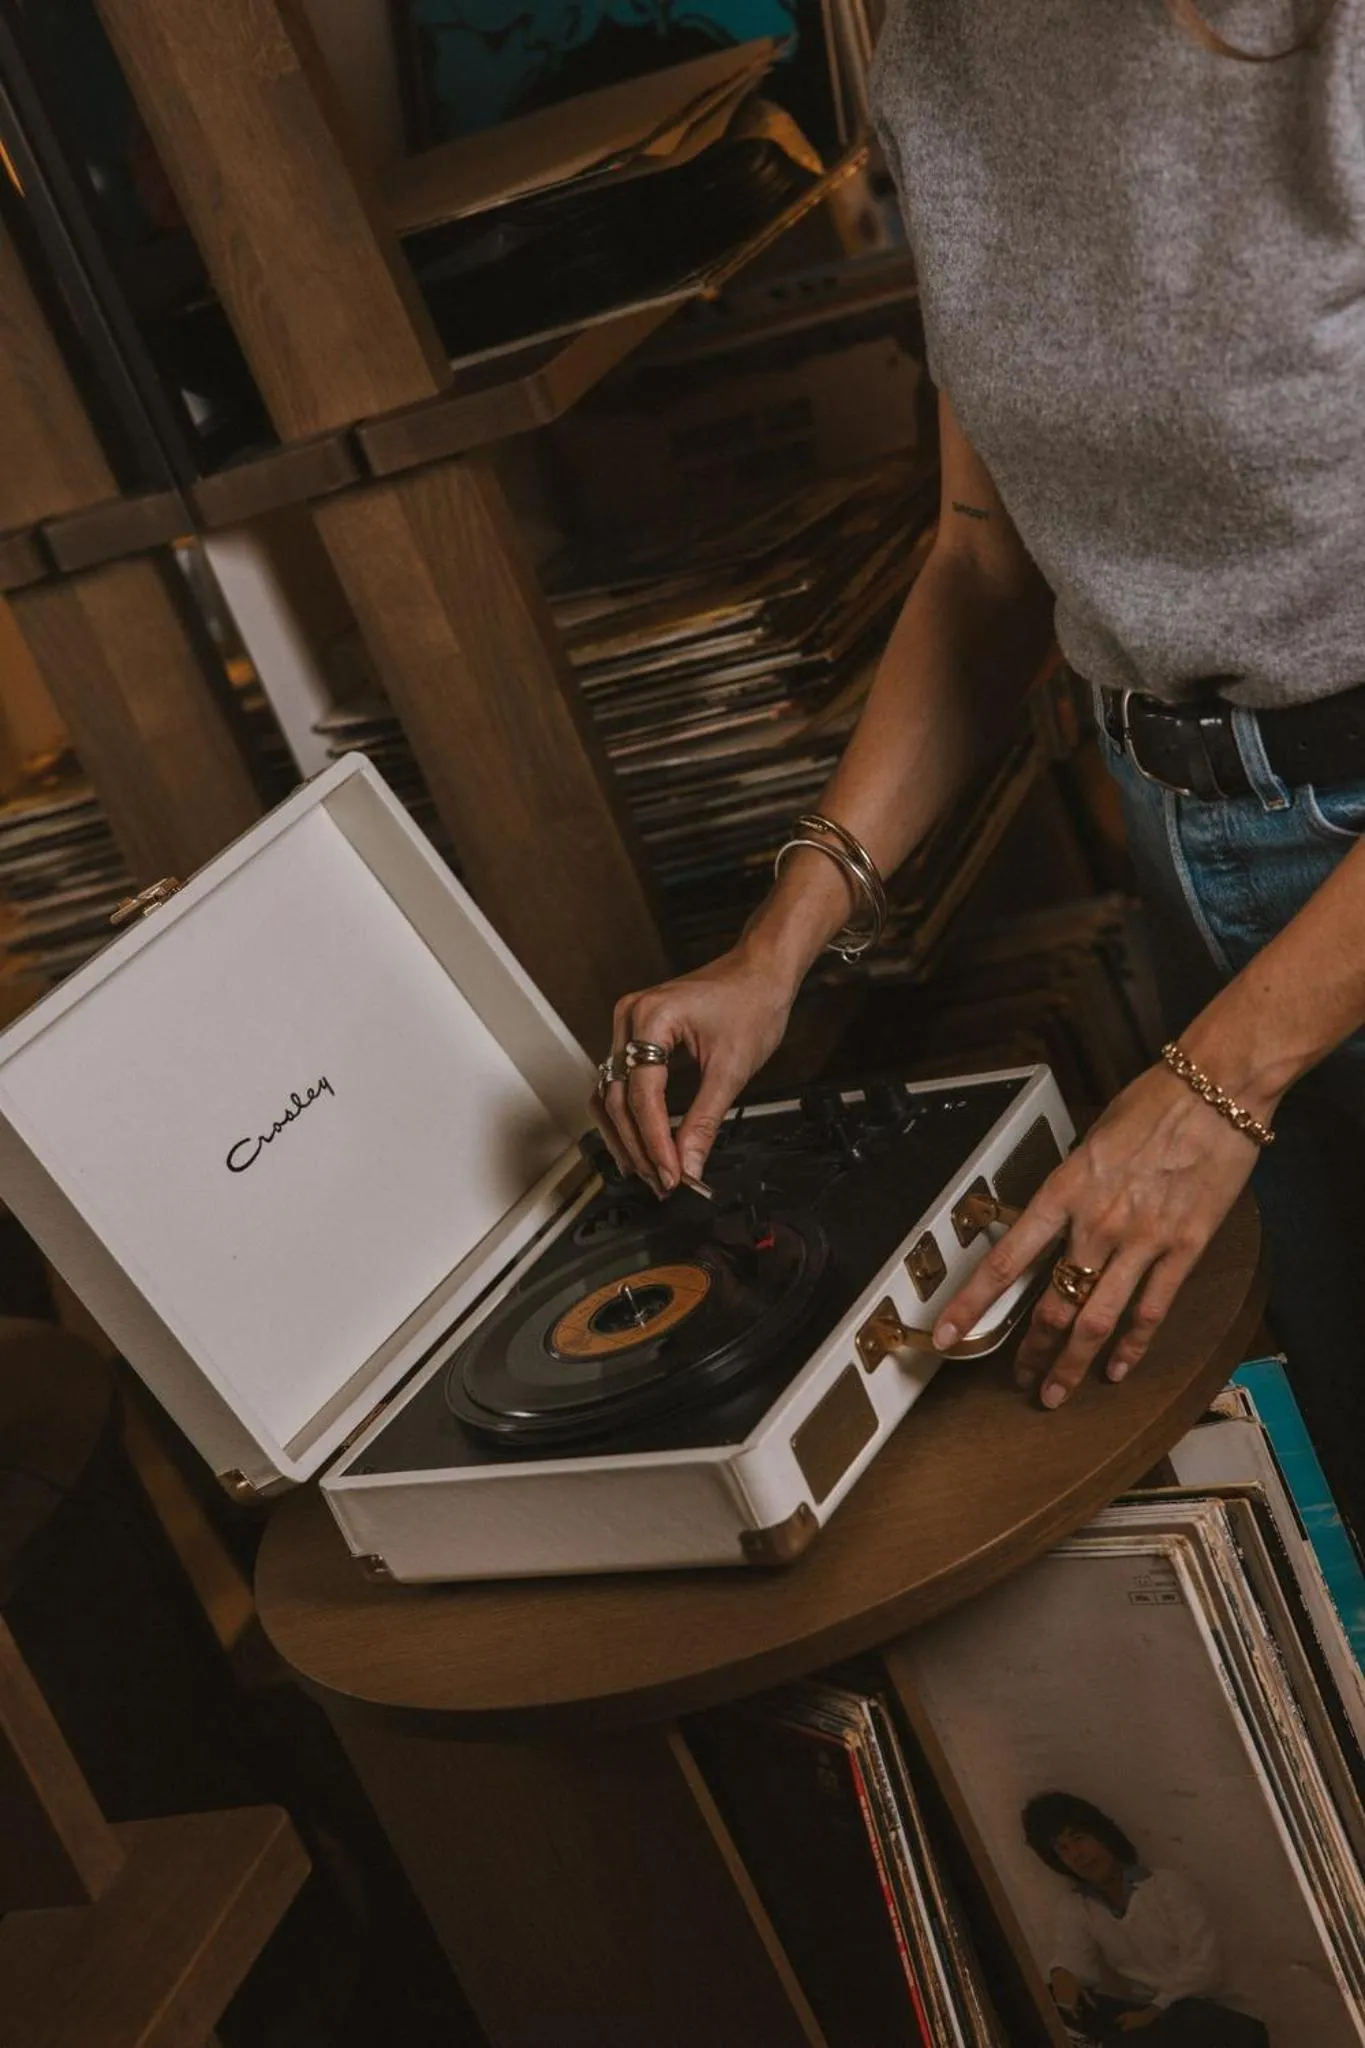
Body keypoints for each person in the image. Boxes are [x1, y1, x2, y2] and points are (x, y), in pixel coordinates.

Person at [591, 0, 1365, 1530]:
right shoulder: (938, 55)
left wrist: (1213, 1087)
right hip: (1186, 854)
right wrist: (781, 941)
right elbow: (981, 557)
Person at [1022, 1792, 1268, 2046]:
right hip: (1158, 2025)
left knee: (1180, 2017)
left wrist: (1153, 2010)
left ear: (1102, 1835)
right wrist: (1063, 1979)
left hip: (1222, 2018)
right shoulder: (1078, 1906)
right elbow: (1073, 1959)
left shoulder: (1165, 1886)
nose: (1076, 1854)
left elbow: (1206, 1968)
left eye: (1079, 1838)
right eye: (1062, 1849)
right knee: (1047, 1998)